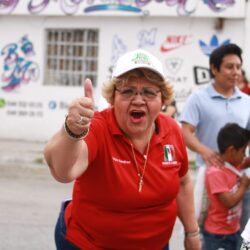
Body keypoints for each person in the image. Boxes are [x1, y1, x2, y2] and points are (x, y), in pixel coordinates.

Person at [43, 49, 201, 250]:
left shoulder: (171, 130)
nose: (138, 99)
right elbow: (63, 171)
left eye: (149, 92)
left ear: (162, 100)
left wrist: (192, 232)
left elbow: (183, 181)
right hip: (89, 244)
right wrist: (71, 130)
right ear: (111, 98)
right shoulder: (98, 127)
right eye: (127, 91)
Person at [180, 43, 250, 246]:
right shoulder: (198, 99)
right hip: (211, 183)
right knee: (208, 237)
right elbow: (185, 132)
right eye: (229, 67)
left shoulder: (246, 101)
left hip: (240, 181)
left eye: (238, 67)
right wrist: (206, 151)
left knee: (242, 236)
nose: (235, 72)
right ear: (214, 68)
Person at [203, 123, 250, 250]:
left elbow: (247, 161)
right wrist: (244, 186)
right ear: (231, 151)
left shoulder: (233, 165)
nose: (245, 156)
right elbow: (228, 202)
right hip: (218, 236)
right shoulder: (215, 173)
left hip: (233, 230)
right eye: (243, 151)